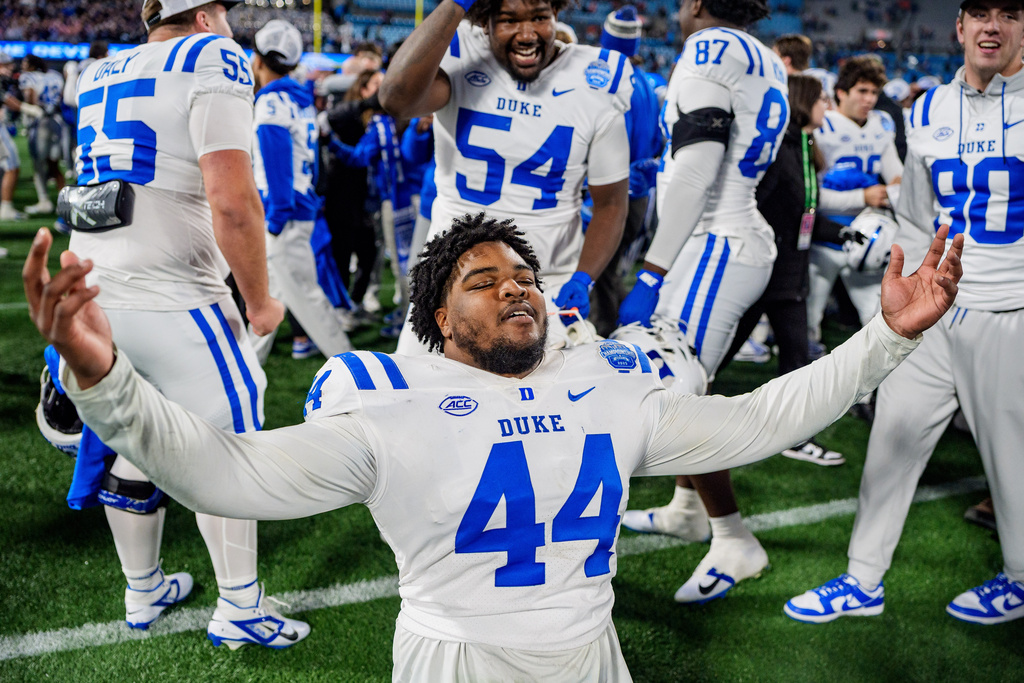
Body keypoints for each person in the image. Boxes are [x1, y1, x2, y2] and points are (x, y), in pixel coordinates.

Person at [25, 211, 962, 680]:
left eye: (524, 276)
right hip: (456, 659)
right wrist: (107, 379)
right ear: (438, 316)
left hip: (594, 651)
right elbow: (223, 472)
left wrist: (887, 338)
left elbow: (764, 420)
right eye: (483, 280)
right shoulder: (389, 403)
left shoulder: (605, 392)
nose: (516, 289)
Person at [63, 0, 308, 648]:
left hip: (95, 290)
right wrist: (259, 300)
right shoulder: (213, 55)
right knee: (230, 443)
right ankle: (240, 607)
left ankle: (142, 590)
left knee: (131, 440)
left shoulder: (100, 72)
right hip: (174, 295)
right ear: (202, 16)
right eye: (224, 11)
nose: (232, 27)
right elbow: (232, 199)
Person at [785, 0, 1024, 626]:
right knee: (892, 436)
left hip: (1009, 307)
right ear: (960, 27)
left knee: (1010, 456)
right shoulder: (927, 110)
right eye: (980, 14)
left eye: (1010, 14)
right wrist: (912, 277)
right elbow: (919, 215)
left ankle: (1021, 579)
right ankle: (863, 581)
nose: (992, 26)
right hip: (936, 308)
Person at [616, 0, 792, 604]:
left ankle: (734, 538)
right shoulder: (766, 57)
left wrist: (651, 271)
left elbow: (696, 169)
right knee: (689, 389)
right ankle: (689, 508)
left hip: (715, 243)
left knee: (675, 394)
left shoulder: (711, 49)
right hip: (728, 235)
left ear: (695, 3)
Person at [380, 0, 632, 352]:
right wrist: (454, 5)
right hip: (455, 283)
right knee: (420, 397)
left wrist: (583, 277)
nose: (527, 34)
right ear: (484, 23)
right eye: (509, 20)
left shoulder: (595, 79)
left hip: (546, 283)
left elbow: (611, 204)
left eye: (540, 18)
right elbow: (395, 99)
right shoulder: (464, 52)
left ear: (555, 16)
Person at [718, 74, 847, 465]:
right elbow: (755, 206)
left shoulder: (807, 148)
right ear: (804, 102)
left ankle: (794, 435)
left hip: (790, 273)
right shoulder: (781, 151)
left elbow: (804, 216)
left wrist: (845, 234)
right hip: (764, 271)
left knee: (795, 357)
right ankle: (669, 408)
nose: (828, 105)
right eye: (822, 99)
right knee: (718, 353)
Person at [249, 19, 354, 362]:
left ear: (260, 59)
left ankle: (356, 368)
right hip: (297, 207)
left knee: (308, 298)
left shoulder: (271, 102)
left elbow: (278, 166)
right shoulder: (298, 98)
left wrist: (276, 219)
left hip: (286, 212)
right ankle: (249, 364)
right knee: (273, 294)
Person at [808, 55, 903, 346]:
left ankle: (876, 389)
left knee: (877, 319)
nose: (870, 99)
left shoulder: (881, 125)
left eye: (874, 92)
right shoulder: (823, 126)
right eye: (862, 91)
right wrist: (862, 195)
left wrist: (891, 192)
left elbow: (897, 177)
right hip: (825, 235)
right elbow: (812, 195)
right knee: (808, 321)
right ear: (841, 92)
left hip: (868, 236)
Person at [18, 54, 65, 215]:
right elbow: (61, 96)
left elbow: (31, 97)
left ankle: (44, 201)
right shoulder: (55, 76)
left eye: (25, 62)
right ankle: (63, 202)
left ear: (32, 65)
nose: (22, 65)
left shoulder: (28, 77)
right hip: (56, 121)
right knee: (54, 164)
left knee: (38, 164)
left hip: (40, 122)